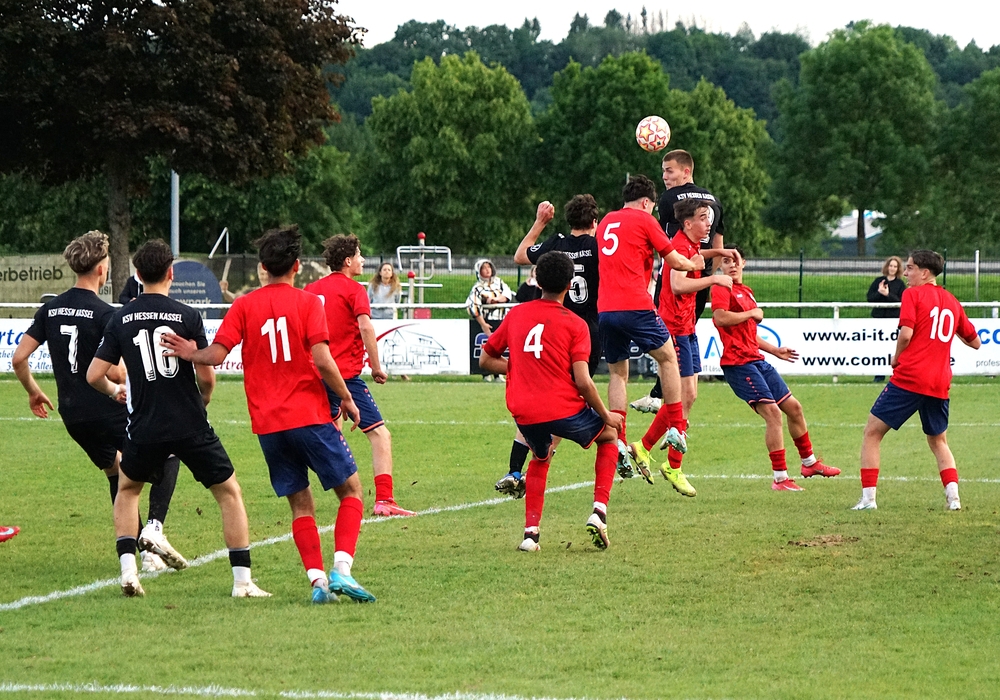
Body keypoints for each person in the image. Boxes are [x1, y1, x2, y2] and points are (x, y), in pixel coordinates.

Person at [163, 226, 376, 603]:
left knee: (300, 503)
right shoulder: (309, 303)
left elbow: (217, 354)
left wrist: (190, 352)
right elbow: (323, 360)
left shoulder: (244, 306)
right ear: (297, 266)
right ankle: (341, 571)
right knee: (351, 492)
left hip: (268, 425)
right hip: (309, 415)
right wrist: (346, 397)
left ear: (262, 267)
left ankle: (318, 584)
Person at [87, 239, 268, 598]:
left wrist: (114, 390)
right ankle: (242, 582)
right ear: (171, 273)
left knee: (127, 491)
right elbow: (206, 376)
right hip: (189, 423)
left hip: (144, 425)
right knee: (229, 493)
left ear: (138, 275)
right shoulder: (187, 316)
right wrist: (204, 399)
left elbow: (94, 374)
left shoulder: (120, 318)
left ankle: (129, 572)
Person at [12, 231, 183, 574]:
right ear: (102, 270)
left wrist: (33, 390)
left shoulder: (50, 309)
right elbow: (116, 371)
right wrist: (121, 382)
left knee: (115, 472)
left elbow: (18, 358)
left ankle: (141, 553)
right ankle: (153, 532)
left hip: (73, 414)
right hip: (107, 408)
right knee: (169, 451)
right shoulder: (105, 313)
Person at [480, 252, 623, 551]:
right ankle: (599, 512)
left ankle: (530, 535)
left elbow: (486, 360)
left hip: (523, 411)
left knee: (541, 456)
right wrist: (606, 415)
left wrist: (519, 367)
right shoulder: (575, 324)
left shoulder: (516, 314)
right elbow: (583, 381)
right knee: (610, 436)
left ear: (538, 282)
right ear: (569, 285)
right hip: (561, 407)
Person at [853, 250, 980, 511]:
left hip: (911, 377)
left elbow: (906, 334)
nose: (906, 272)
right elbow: (975, 342)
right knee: (938, 441)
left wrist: (896, 358)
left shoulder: (912, 294)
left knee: (872, 432)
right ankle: (954, 499)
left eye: (910, 268)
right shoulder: (952, 301)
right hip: (939, 382)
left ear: (924, 272)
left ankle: (868, 499)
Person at [596, 175, 701, 490]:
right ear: (646, 202)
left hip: (606, 309)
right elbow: (675, 260)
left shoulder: (606, 222)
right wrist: (694, 263)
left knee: (618, 374)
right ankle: (676, 428)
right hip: (636, 306)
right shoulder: (644, 220)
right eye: (653, 207)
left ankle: (620, 440)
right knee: (668, 359)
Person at [494, 195, 602, 498]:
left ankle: (516, 470)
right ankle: (534, 471)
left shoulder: (557, 243)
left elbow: (520, 256)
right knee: (562, 408)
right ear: (594, 222)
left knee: (540, 399)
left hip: (552, 330)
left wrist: (540, 222)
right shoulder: (599, 247)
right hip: (584, 331)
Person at [711, 247, 840, 491]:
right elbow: (720, 318)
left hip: (756, 360)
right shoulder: (721, 287)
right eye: (726, 261)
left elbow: (748, 333)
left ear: (744, 263)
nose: (732, 265)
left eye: (736, 260)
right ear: (721, 266)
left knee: (794, 408)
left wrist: (774, 350)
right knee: (773, 414)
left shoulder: (746, 291)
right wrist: (751, 313)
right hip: (738, 364)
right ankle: (780, 478)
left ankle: (809, 463)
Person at [305, 235, 415, 518]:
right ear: (347, 261)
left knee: (332, 430)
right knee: (380, 434)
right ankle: (385, 499)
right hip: (344, 376)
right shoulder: (354, 289)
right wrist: (376, 367)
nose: (363, 260)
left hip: (315, 375)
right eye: (359, 255)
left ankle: (343, 493)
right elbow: (366, 327)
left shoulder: (311, 289)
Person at [633, 199, 737, 494]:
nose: (708, 223)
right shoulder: (679, 245)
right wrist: (714, 279)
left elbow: (696, 255)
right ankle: (671, 464)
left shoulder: (688, 244)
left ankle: (645, 448)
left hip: (687, 327)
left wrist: (718, 252)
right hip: (675, 329)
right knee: (684, 396)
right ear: (688, 223)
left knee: (687, 397)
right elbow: (678, 284)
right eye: (703, 218)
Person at [631, 149, 725, 415]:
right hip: (701, 280)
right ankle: (664, 400)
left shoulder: (670, 199)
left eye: (669, 170)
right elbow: (718, 245)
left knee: (667, 340)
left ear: (686, 171)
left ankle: (663, 401)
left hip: (677, 278)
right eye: (663, 171)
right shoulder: (714, 200)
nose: (664, 177)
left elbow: (662, 241)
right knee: (682, 340)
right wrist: (706, 277)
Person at [466, 259, 512, 381]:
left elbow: (507, 295)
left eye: (489, 267)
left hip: (501, 320)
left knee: (499, 348)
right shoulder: (477, 288)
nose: (487, 270)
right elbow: (473, 305)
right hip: (487, 321)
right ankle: (486, 374)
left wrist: (496, 300)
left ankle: (498, 374)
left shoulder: (499, 283)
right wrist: (483, 324)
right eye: (483, 268)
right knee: (487, 348)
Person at [867, 256, 905, 382]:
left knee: (893, 347)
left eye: (895, 266)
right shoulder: (879, 281)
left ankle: (894, 373)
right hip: (878, 318)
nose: (892, 268)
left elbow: (901, 301)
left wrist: (888, 294)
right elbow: (870, 298)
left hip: (892, 320)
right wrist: (880, 292)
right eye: (891, 266)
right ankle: (879, 374)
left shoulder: (900, 284)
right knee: (878, 347)